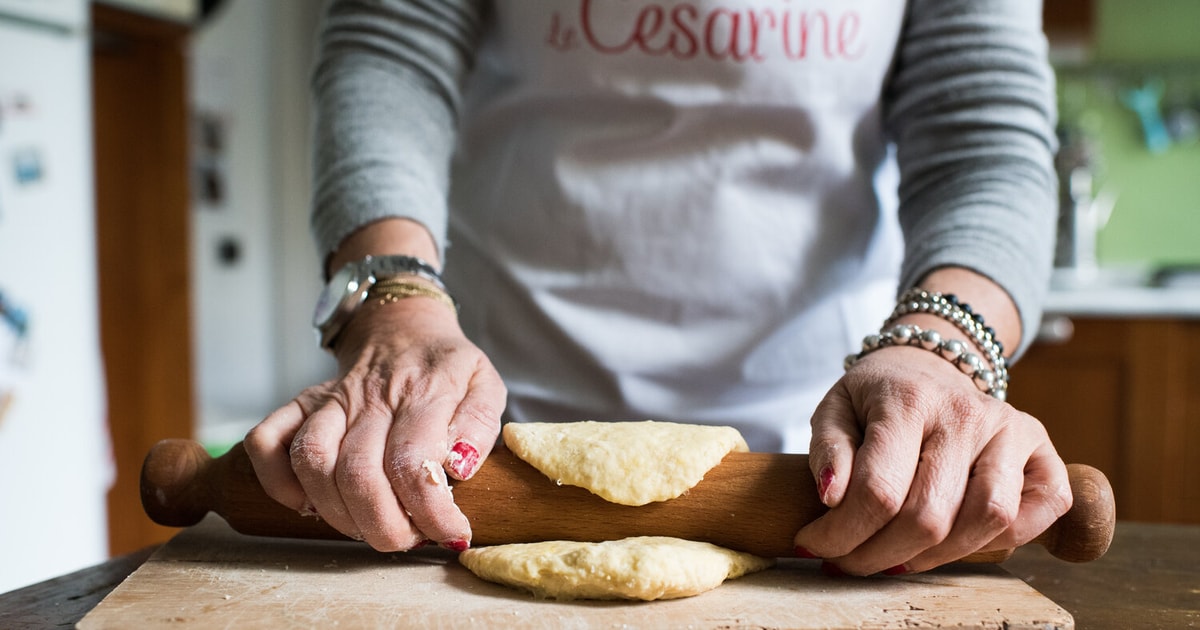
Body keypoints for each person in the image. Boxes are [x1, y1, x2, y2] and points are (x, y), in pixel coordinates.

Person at [245, 0, 1073, 577]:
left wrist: (944, 351)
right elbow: (391, 47)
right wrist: (394, 299)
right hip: (484, 439)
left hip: (830, 457)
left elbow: (983, 131)